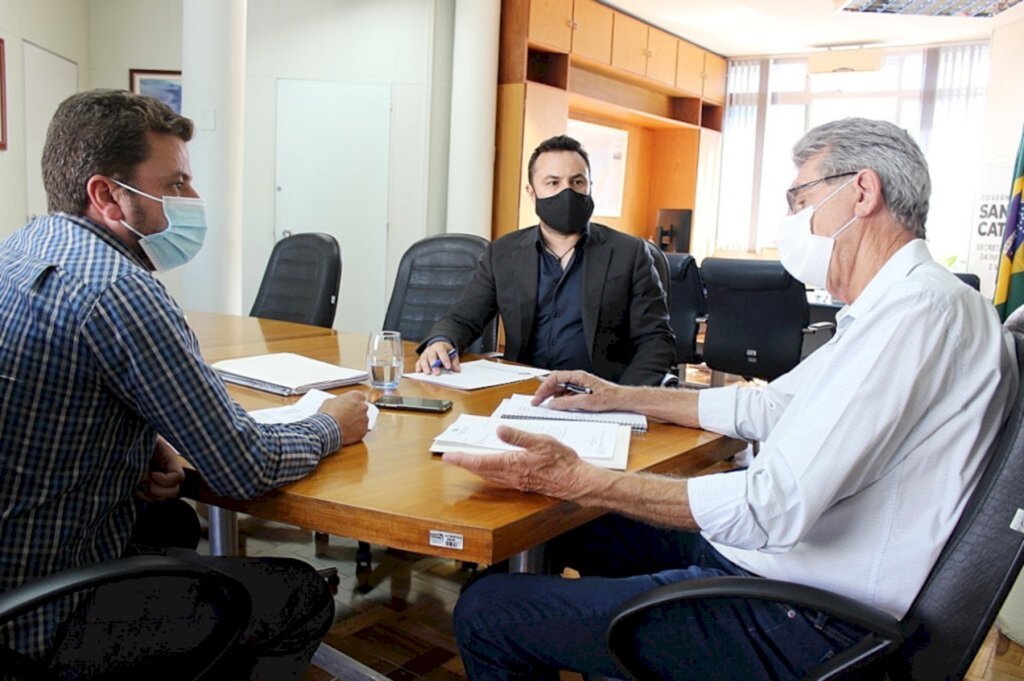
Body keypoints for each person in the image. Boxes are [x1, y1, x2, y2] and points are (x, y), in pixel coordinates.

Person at [442, 118, 1020, 680]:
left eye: (799, 199)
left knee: (488, 610)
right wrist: (619, 397)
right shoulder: (902, 307)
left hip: (800, 616)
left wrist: (580, 479)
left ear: (861, 191)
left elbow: (771, 508)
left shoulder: (918, 314)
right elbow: (766, 409)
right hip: (780, 569)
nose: (791, 220)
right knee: (563, 528)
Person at [0, 89, 370, 679]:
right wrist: (330, 423)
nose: (195, 199)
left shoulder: (22, 247)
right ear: (106, 195)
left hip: (14, 567)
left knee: (172, 521)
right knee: (297, 593)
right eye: (175, 184)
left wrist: (146, 440)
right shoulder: (117, 290)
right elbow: (243, 468)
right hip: (41, 616)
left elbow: (51, 391)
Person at [414, 135, 676, 387]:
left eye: (577, 182)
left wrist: (621, 398)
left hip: (601, 396)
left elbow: (657, 341)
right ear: (532, 192)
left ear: (589, 187)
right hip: (524, 393)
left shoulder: (629, 253)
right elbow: (463, 317)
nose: (567, 192)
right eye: (553, 183)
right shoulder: (503, 253)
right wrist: (442, 340)